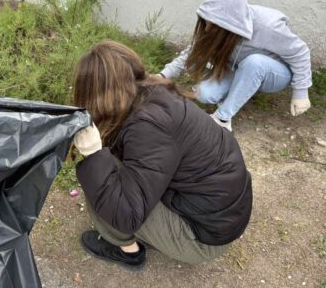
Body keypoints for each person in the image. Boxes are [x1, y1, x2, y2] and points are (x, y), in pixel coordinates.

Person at [72, 40, 252, 270]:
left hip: (205, 237)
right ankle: (158, 232)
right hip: (224, 214)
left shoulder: (147, 128)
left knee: (100, 179)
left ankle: (127, 251)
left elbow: (126, 213)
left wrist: (94, 155)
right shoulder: (154, 91)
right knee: (111, 166)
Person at [159, 0, 312, 131]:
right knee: (204, 94)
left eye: (212, 25)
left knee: (255, 63)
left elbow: (300, 52)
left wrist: (301, 93)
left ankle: (222, 119)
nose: (206, 27)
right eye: (205, 22)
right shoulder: (213, 24)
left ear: (228, 24)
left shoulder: (267, 26)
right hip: (239, 67)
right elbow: (194, 51)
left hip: (275, 73)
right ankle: (242, 90)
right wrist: (163, 75)